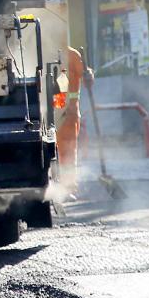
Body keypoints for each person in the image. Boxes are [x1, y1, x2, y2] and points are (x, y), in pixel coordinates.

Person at [57, 47, 91, 200]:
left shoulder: (72, 55)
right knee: (58, 152)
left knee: (68, 152)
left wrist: (88, 75)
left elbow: (86, 79)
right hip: (56, 111)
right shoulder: (47, 50)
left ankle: (67, 187)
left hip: (67, 113)